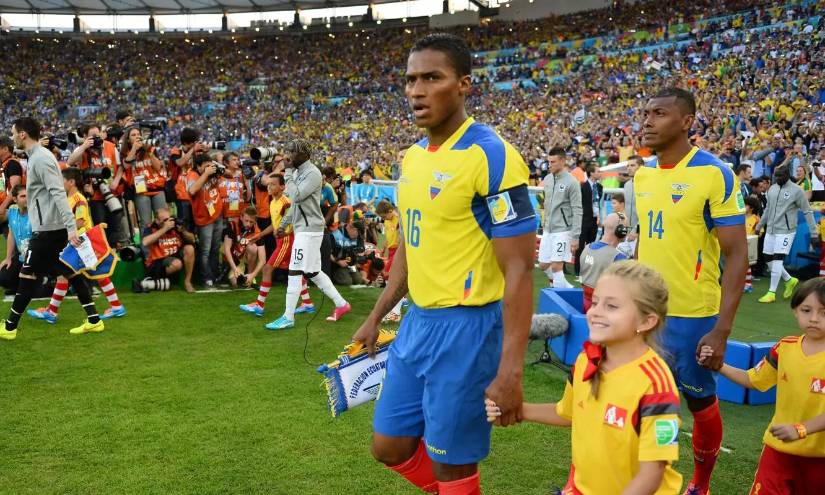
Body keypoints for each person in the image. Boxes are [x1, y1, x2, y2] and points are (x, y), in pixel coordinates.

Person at [351, 33, 535, 494]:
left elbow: (519, 269)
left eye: (432, 78)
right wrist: (377, 316)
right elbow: (409, 249)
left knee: (451, 463)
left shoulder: (491, 156)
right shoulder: (412, 158)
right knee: (388, 446)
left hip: (469, 328)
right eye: (411, 79)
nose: (417, 90)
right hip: (418, 323)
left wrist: (511, 370)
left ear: (463, 85)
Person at [634, 88, 749, 495]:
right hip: (644, 315)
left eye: (659, 113)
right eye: (645, 112)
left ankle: (701, 484)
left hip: (692, 315)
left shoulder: (714, 173)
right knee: (651, 403)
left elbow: (737, 256)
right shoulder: (642, 174)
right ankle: (658, 477)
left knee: (699, 402)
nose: (647, 120)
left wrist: (721, 329)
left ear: (686, 122)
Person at [487, 261, 682, 494]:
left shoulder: (655, 384)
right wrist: (512, 409)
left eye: (611, 306)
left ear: (646, 321)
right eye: (596, 302)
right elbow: (568, 412)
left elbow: (652, 474)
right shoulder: (586, 360)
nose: (595, 312)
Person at [699, 277, 825, 494]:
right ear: (795, 311)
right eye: (806, 310)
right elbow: (752, 380)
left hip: (819, 458)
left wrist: (801, 429)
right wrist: (718, 365)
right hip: (778, 450)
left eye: (824, 312)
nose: (814, 319)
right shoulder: (784, 348)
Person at [1, 117, 104, 341]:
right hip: (49, 226)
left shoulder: (41, 159)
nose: (11, 138)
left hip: (49, 229)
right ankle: (94, 319)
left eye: (12, 133)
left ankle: (9, 327)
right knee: (69, 272)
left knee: (26, 274)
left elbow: (58, 193)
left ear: (22, 135)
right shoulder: (37, 157)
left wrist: (71, 228)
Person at [264, 140, 351, 330]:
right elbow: (296, 205)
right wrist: (285, 224)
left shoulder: (312, 173)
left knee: (295, 270)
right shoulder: (298, 172)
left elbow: (295, 196)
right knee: (312, 272)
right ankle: (341, 304)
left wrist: (286, 172)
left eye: (293, 153)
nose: (289, 156)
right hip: (305, 229)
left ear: (304, 155)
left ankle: (288, 317)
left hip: (309, 230)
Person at [28, 168, 126, 323]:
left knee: (74, 273)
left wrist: (60, 231)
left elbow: (80, 221)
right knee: (90, 273)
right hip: (80, 243)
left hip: (82, 242)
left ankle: (52, 312)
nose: (60, 183)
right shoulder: (70, 198)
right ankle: (115, 306)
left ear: (71, 182)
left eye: (63, 180)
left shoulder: (78, 199)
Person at [239, 175, 314, 318]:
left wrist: (285, 232)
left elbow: (297, 221)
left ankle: (259, 305)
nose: (269, 187)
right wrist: (258, 236)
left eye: (273, 184)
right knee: (295, 272)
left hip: (286, 240)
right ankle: (307, 302)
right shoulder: (273, 202)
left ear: (282, 187)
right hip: (283, 240)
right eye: (268, 184)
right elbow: (275, 225)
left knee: (267, 269)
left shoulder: (286, 203)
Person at [755, 165, 818, 304]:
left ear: (787, 175)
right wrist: (759, 225)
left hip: (786, 231)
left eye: (780, 176)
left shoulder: (797, 191)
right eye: (775, 176)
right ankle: (789, 280)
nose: (777, 179)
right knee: (768, 259)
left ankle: (771, 292)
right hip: (771, 230)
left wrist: (814, 233)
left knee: (777, 259)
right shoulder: (772, 188)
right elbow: (768, 210)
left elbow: (807, 211)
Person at [66, 121, 125, 248]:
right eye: (92, 136)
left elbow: (121, 167)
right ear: (85, 137)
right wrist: (84, 146)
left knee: (115, 226)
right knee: (100, 226)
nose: (96, 138)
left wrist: (115, 181)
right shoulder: (82, 149)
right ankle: (103, 254)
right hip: (94, 196)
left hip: (111, 192)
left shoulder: (110, 146)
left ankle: (114, 252)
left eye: (98, 135)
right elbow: (70, 162)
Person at [539, 147, 582, 288]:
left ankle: (559, 299)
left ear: (563, 161)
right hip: (547, 229)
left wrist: (575, 236)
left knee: (557, 266)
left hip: (563, 230)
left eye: (553, 162)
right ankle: (567, 288)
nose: (549, 165)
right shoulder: (547, 179)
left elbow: (577, 209)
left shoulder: (572, 182)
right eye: (548, 162)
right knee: (544, 265)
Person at [188, 153, 225, 288]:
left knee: (215, 249)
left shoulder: (213, 172)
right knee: (205, 250)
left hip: (217, 214)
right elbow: (192, 190)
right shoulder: (192, 175)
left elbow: (229, 175)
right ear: (198, 166)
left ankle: (215, 276)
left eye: (210, 164)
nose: (209, 167)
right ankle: (206, 278)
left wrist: (219, 165)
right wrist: (206, 174)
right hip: (204, 218)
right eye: (206, 166)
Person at [579, 212, 628, 311]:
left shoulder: (587, 248)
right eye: (626, 228)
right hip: (605, 309)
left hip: (585, 304)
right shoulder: (619, 258)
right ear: (620, 230)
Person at [140, 207, 196, 293]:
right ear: (157, 221)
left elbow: (192, 239)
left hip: (174, 255)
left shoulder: (175, 226)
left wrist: (183, 231)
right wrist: (164, 229)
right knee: (177, 264)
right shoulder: (151, 228)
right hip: (157, 261)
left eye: (169, 218)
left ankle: (187, 281)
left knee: (190, 248)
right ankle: (156, 279)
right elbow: (145, 242)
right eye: (165, 220)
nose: (169, 222)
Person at [121, 126, 166, 227]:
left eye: (138, 134)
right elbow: (126, 165)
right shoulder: (125, 152)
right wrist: (134, 148)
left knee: (163, 220)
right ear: (128, 140)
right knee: (146, 223)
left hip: (157, 188)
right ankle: (146, 243)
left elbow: (158, 167)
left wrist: (149, 152)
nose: (137, 137)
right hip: (141, 191)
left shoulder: (149, 147)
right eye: (133, 135)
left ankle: (161, 242)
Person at [222, 207, 265, 288]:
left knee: (253, 248)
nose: (248, 224)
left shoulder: (257, 232)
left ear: (255, 221)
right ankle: (231, 273)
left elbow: (263, 260)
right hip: (232, 260)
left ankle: (250, 276)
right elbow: (226, 249)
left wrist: (253, 275)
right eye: (246, 220)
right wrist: (234, 269)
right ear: (241, 217)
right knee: (235, 283)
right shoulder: (233, 225)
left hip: (245, 259)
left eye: (251, 222)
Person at [0, 186, 32, 294]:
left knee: (34, 291)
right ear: (15, 199)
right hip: (22, 257)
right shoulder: (13, 211)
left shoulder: (36, 212)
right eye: (23, 196)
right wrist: (8, 258)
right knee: (3, 276)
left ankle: (48, 282)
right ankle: (19, 286)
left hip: (37, 258)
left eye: (28, 195)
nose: (27, 198)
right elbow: (11, 235)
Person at [576, 162, 603, 275]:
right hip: (583, 220)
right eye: (598, 171)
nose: (600, 173)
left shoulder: (600, 187)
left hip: (594, 221)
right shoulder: (582, 186)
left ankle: (588, 269)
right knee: (580, 246)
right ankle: (578, 270)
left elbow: (599, 203)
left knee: (591, 246)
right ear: (591, 173)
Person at [330, 220, 367, 286]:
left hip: (350, 264)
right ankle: (332, 276)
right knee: (347, 282)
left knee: (358, 281)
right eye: (358, 233)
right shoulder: (336, 235)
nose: (358, 236)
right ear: (353, 229)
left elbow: (361, 250)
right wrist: (338, 261)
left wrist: (360, 256)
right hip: (336, 264)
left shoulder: (358, 236)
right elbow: (327, 252)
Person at [621, 155, 643, 257]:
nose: (629, 168)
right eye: (628, 166)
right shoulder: (627, 185)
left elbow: (645, 213)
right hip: (627, 232)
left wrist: (636, 231)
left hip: (640, 234)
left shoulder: (647, 185)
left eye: (632, 165)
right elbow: (624, 208)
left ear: (641, 167)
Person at [0, 136, 25, 221]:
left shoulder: (12, 164)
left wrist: (2, 207)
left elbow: (15, 188)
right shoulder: (4, 164)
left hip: (13, 207)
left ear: (5, 149)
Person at [743, 196, 761, 294]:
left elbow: (760, 231)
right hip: (739, 242)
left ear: (751, 208)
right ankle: (742, 283)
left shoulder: (756, 219)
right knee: (740, 265)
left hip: (750, 243)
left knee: (747, 264)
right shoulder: (740, 217)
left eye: (745, 205)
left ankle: (748, 284)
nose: (743, 206)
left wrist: (756, 234)